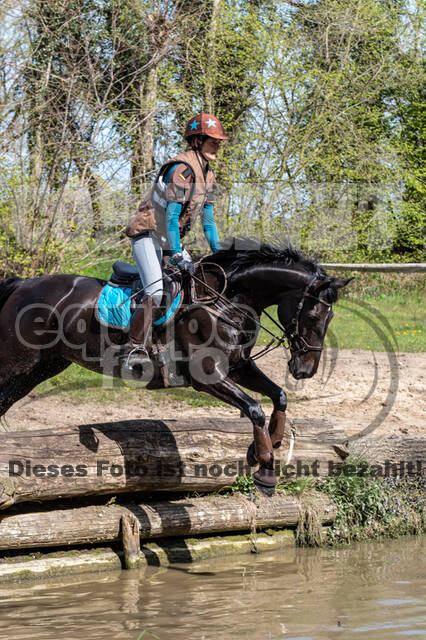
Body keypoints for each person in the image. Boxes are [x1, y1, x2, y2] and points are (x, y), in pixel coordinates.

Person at [123, 113, 228, 367]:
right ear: (197, 141)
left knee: (193, 286)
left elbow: (209, 223)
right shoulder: (181, 170)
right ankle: (133, 348)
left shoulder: (208, 175)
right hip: (148, 234)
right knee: (157, 291)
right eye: (212, 141)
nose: (217, 146)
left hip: (167, 240)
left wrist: (221, 256)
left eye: (218, 142)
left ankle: (172, 348)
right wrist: (178, 253)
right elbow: (171, 218)